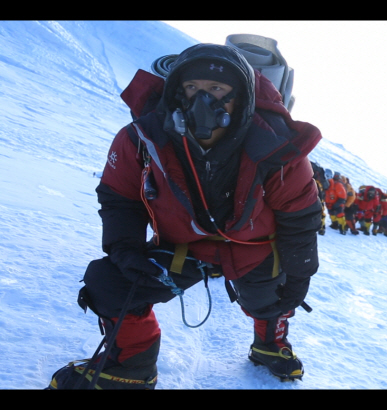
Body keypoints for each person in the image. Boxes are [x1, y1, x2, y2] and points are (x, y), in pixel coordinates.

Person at [47, 43, 323, 389]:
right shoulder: (143, 138)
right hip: (184, 249)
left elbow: (299, 216)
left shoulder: (276, 147)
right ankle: (130, 368)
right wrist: (125, 250)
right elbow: (120, 198)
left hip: (255, 249)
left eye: (216, 89)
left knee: (273, 300)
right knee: (110, 282)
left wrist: (299, 275)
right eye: (192, 88)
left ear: (240, 97)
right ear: (177, 93)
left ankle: (270, 345)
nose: (201, 100)